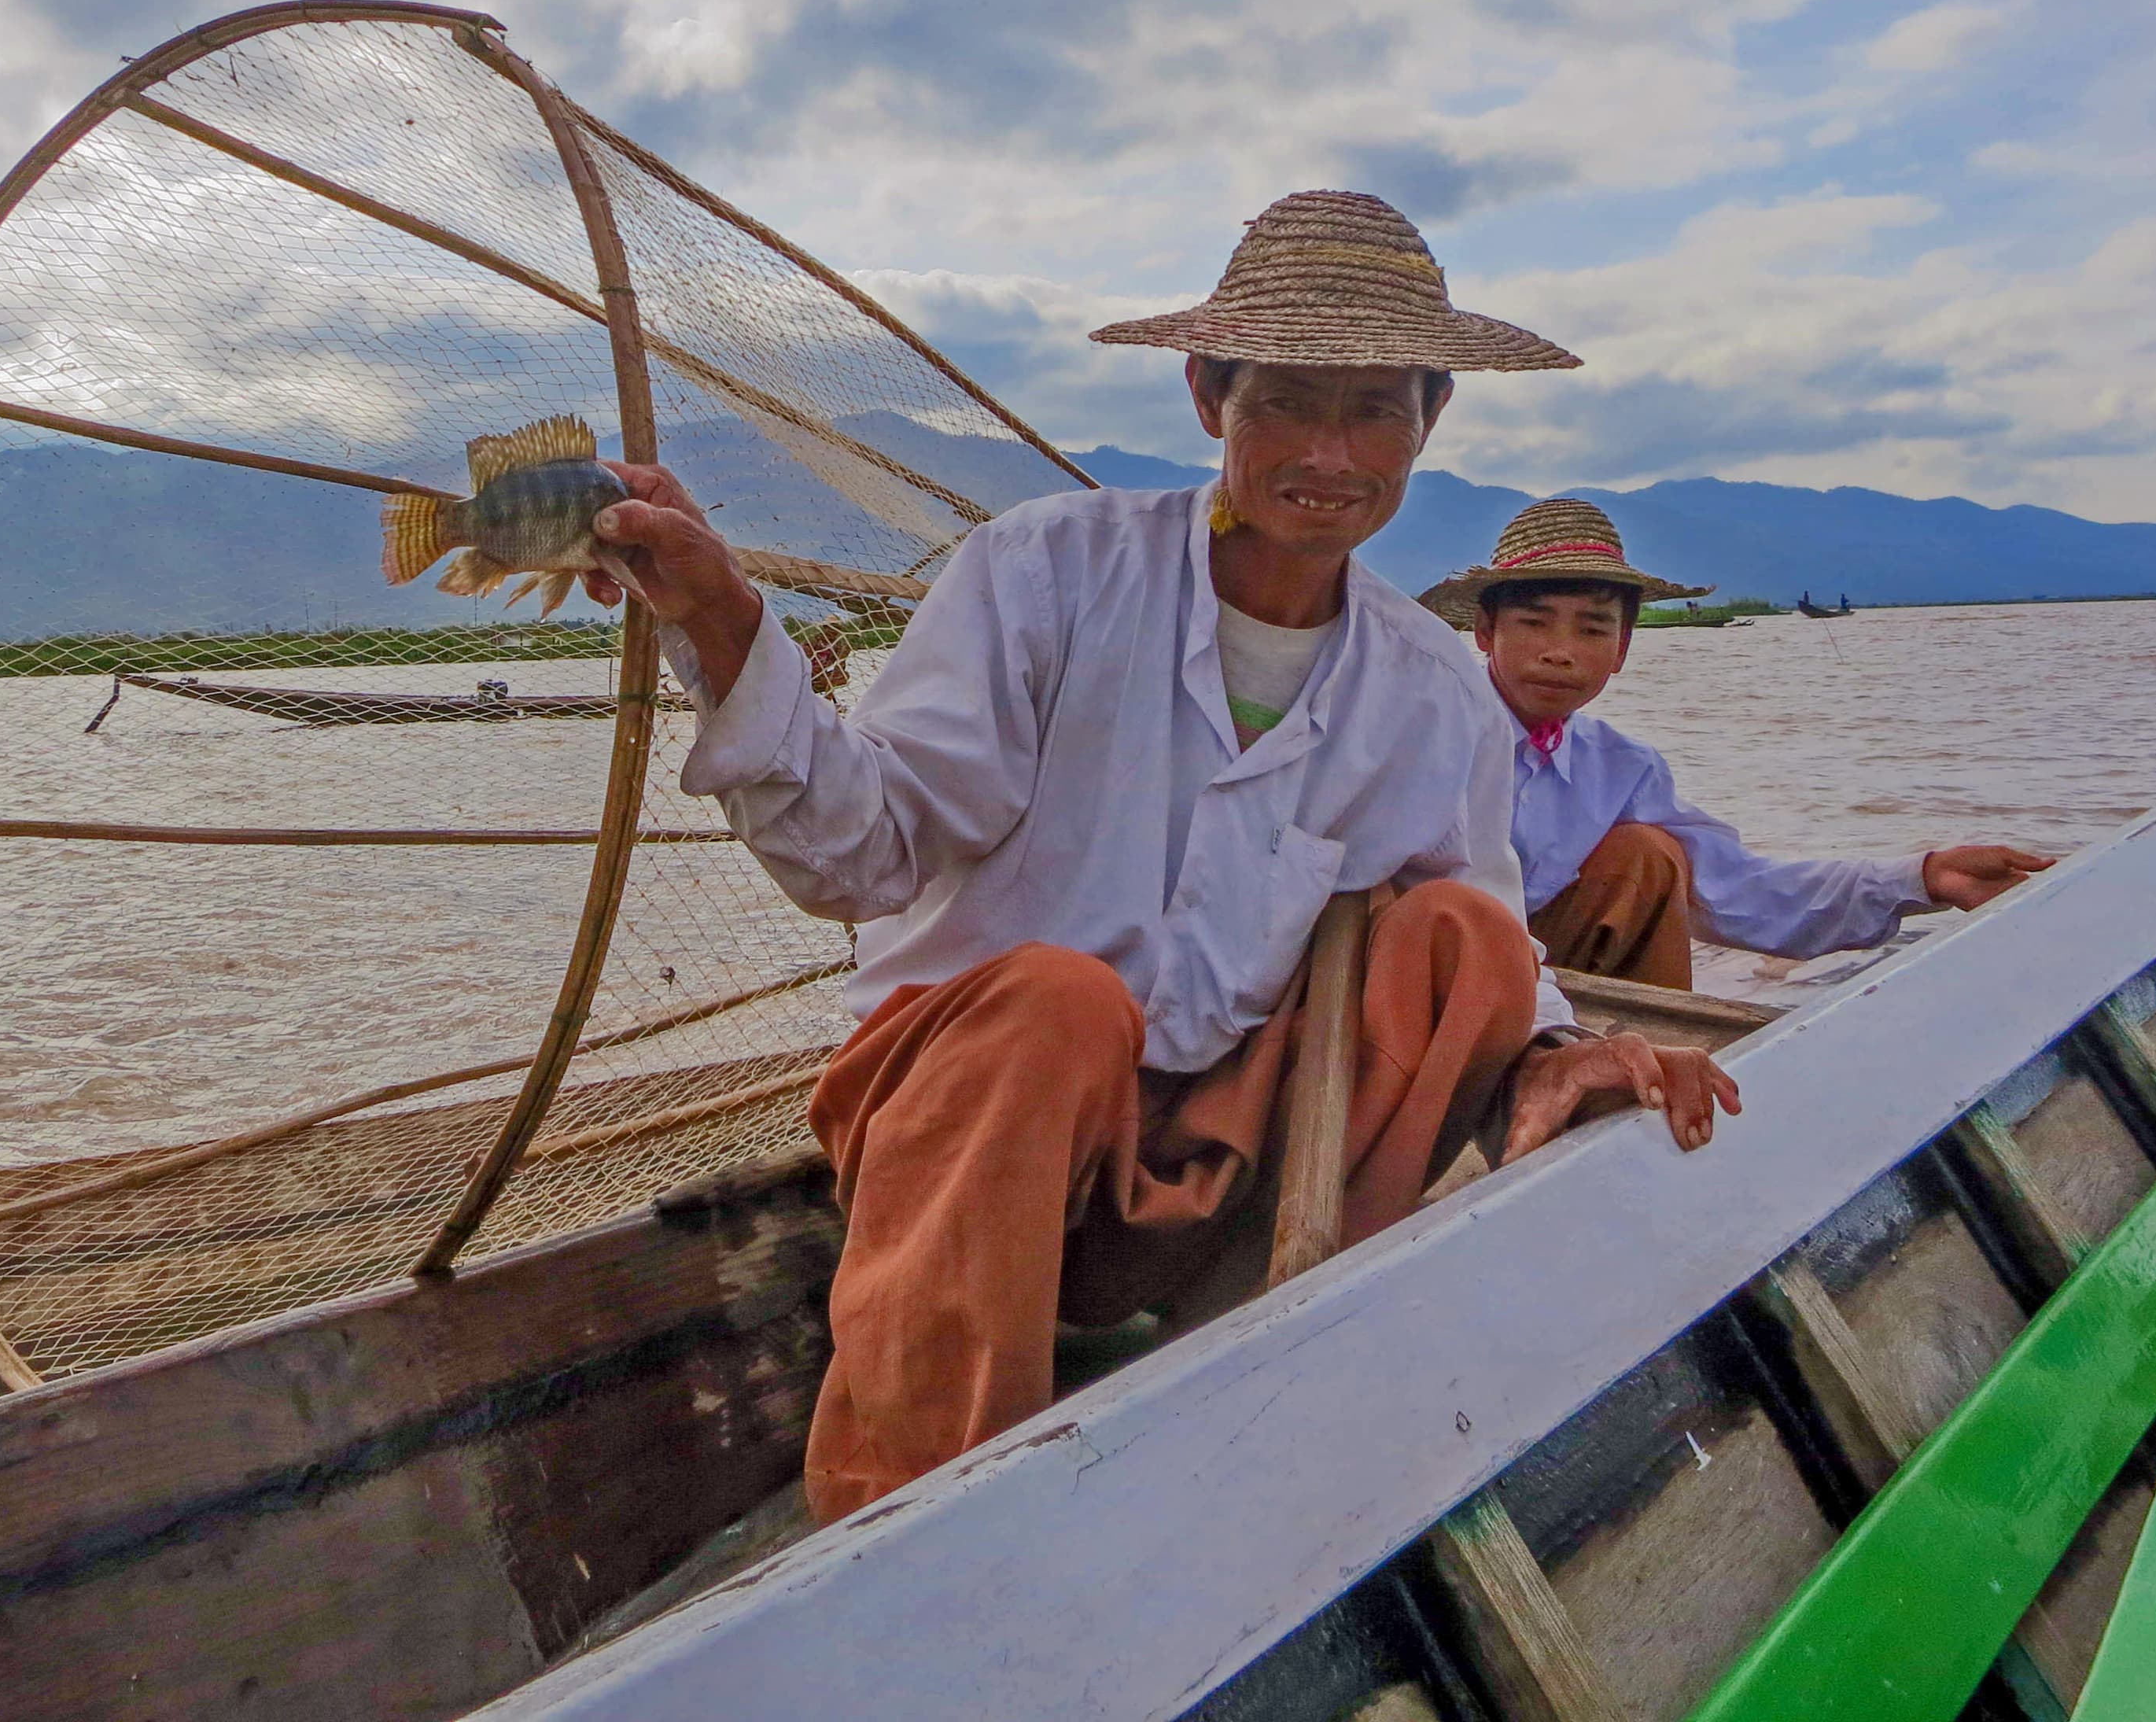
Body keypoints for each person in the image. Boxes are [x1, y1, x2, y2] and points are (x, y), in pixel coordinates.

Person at [580, 191, 1741, 1522]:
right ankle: (908, 1521)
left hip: (1203, 1169)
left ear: (1432, 422)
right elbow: (862, 856)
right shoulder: (1047, 575)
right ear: (1207, 398)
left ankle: (1273, 1381)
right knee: (1059, 999)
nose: (1329, 454)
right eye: (1285, 404)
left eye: (1377, 412)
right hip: (969, 1135)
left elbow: (1483, 909)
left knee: (1464, 946)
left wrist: (1554, 1050)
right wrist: (726, 624)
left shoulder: (1430, 686)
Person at [1421, 499, 2052, 990]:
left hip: (1534, 979)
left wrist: (1923, 876)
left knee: (1651, 857)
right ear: (1483, 630)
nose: (1560, 651)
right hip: (1416, 974)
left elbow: (1739, 889)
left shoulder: (1622, 769)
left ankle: (1641, 1085)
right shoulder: (1422, 725)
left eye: (1592, 628)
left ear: (1622, 649)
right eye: (1534, 622)